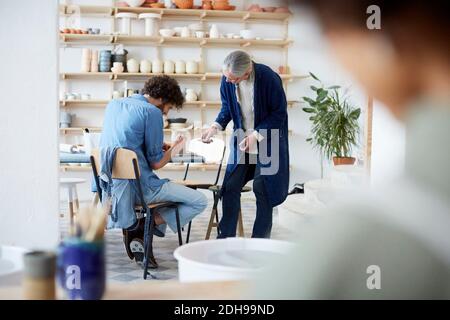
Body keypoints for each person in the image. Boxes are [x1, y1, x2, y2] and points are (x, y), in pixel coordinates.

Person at [254, 0, 450, 299]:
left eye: (328, 34)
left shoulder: (362, 245)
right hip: (247, 145)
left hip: (269, 142)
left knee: (265, 189)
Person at [100, 75, 207, 262]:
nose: (167, 112)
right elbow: (156, 164)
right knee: (199, 200)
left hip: (112, 187)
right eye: (170, 107)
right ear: (164, 99)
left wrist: (161, 145)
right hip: (141, 188)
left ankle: (140, 226)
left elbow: (126, 143)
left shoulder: (114, 105)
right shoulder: (152, 112)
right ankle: (143, 225)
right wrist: (174, 149)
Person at [202, 50, 290, 239]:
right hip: (242, 139)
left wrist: (256, 135)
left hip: (268, 141)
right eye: (226, 77)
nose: (228, 81)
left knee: (262, 189)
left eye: (233, 79)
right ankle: (225, 239)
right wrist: (215, 127)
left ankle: (259, 241)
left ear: (247, 72)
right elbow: (227, 107)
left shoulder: (269, 78)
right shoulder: (227, 79)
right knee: (230, 186)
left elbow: (279, 113)